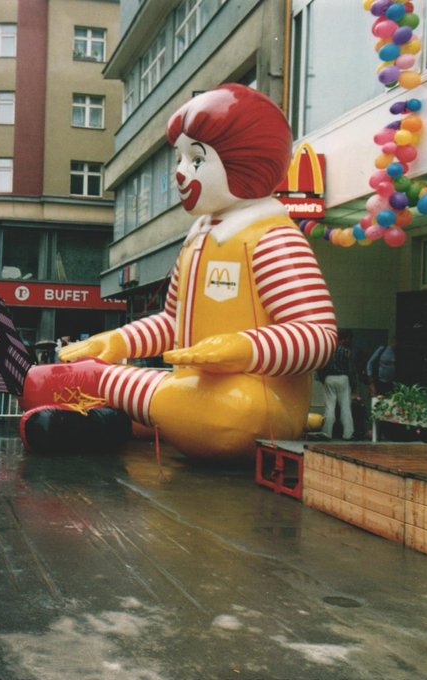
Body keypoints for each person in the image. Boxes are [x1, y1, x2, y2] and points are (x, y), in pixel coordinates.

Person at [56, 84, 337, 460]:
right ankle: (128, 407)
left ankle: (109, 387)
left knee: (230, 412)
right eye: (180, 159)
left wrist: (244, 349)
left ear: (247, 161)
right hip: (196, 391)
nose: (180, 173)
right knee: (191, 406)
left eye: (197, 160)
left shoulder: (272, 240)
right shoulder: (198, 239)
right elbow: (172, 323)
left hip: (259, 403)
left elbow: (317, 337)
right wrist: (119, 341)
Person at [318, 329, 355, 440]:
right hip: (343, 379)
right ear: (342, 339)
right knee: (345, 406)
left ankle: (327, 433)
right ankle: (348, 434)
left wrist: (322, 379)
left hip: (329, 378)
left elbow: (321, 367)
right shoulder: (346, 352)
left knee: (330, 406)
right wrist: (353, 385)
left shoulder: (327, 351)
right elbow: (351, 369)